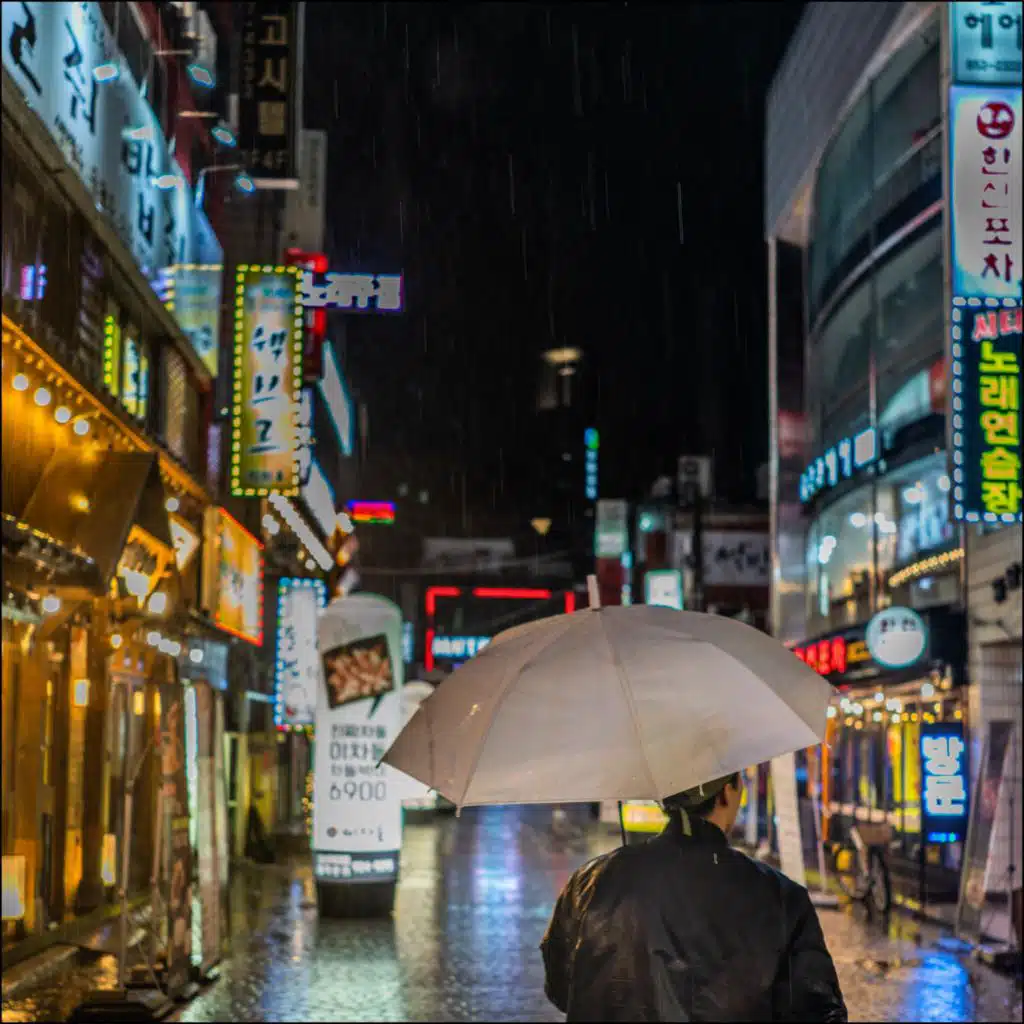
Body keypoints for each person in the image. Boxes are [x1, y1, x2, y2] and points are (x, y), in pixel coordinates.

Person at [541, 772, 848, 1022]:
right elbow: (817, 1009)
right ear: (728, 792)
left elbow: (561, 988)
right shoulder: (781, 897)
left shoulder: (590, 883)